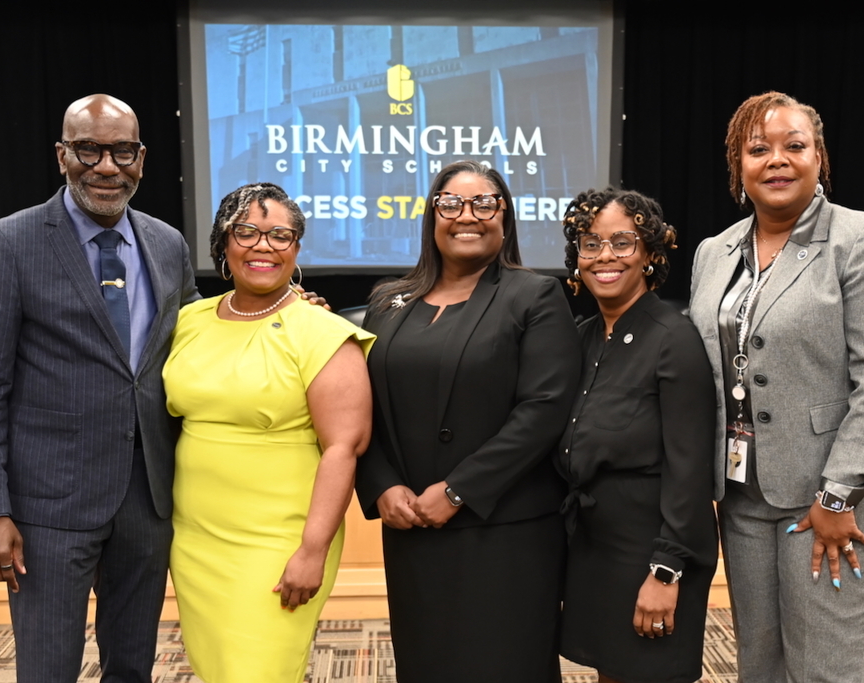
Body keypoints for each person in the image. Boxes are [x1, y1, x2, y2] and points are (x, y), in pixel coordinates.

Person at [0, 94, 199, 682]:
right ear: (63, 155)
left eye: (122, 151)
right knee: (48, 670)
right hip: (47, 510)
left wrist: (284, 311)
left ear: (143, 157)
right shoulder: (8, 242)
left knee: (133, 668)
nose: (107, 166)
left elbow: (196, 346)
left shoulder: (167, 244)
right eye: (89, 149)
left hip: (149, 500)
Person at [689, 91, 864, 682]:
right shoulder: (713, 252)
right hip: (745, 493)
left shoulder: (863, 238)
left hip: (837, 491)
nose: (777, 160)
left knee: (823, 666)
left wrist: (839, 493)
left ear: (819, 156)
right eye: (758, 148)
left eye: (795, 146)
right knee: (759, 663)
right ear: (737, 165)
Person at [355, 160, 581, 683]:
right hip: (411, 527)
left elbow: (543, 411)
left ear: (505, 217)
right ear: (432, 215)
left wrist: (457, 491)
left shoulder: (536, 296)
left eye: (484, 203)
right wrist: (381, 484)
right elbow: (363, 407)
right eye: (451, 204)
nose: (467, 216)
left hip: (502, 532)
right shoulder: (388, 301)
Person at [163, 182, 374, 682]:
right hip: (194, 539)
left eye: (281, 235)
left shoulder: (323, 333)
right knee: (217, 669)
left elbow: (344, 448)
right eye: (247, 232)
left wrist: (312, 550)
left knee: (257, 671)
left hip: (278, 544)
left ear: (296, 249)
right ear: (223, 244)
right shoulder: (189, 321)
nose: (263, 246)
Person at [556, 188, 718, 683]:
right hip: (595, 547)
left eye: (623, 242)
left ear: (649, 254)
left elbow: (690, 472)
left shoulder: (674, 338)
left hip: (651, 552)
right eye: (590, 243)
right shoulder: (581, 336)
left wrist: (666, 570)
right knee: (614, 671)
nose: (605, 256)